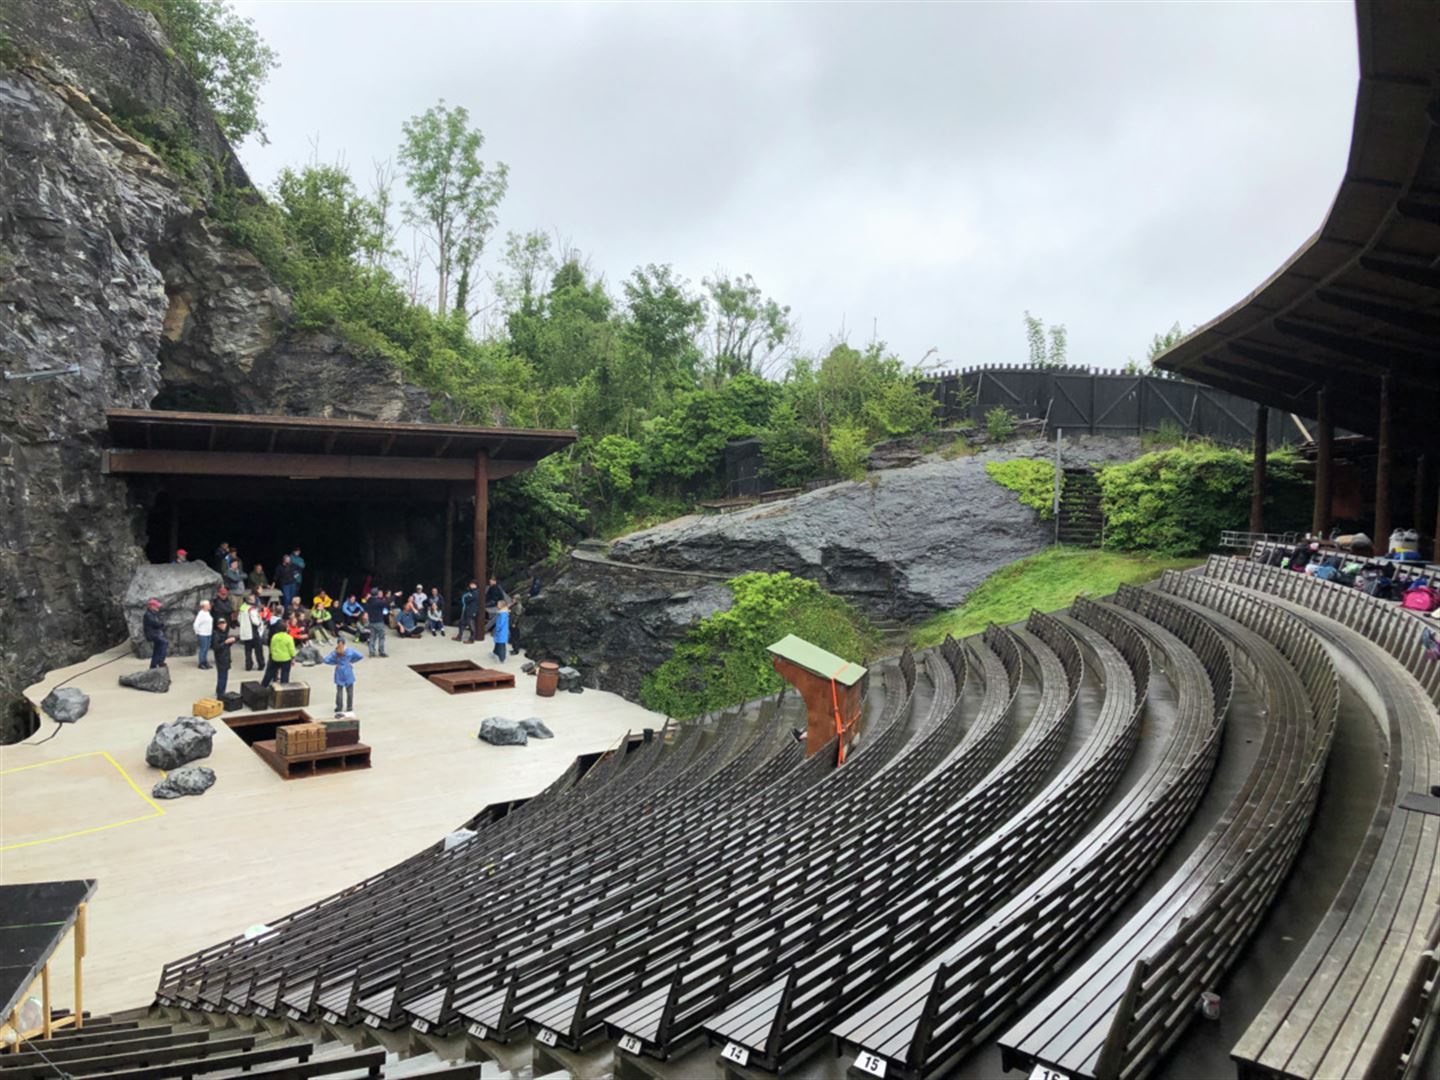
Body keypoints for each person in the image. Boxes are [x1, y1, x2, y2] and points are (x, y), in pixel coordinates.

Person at [324, 637, 364, 718]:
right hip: (348, 670)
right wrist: (351, 661)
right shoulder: (350, 651)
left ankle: (339, 707)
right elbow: (360, 656)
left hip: (339, 671)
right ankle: (349, 707)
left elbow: (326, 660)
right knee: (350, 691)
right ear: (345, 643)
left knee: (339, 690)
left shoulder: (335, 652)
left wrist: (335, 662)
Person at [261, 622, 296, 687]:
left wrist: (271, 654)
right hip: (286, 659)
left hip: (275, 658)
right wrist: (293, 657)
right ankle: (284, 688)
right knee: (285, 674)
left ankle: (263, 685)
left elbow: (271, 646)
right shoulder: (288, 638)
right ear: (286, 629)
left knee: (270, 672)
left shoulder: (274, 637)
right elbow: (291, 649)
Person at [212, 617, 236, 698]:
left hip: (225, 657)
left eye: (224, 623)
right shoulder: (216, 634)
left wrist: (231, 641)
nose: (223, 625)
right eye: (221, 624)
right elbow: (216, 647)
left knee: (223, 676)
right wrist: (226, 642)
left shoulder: (223, 633)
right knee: (222, 677)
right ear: (218, 625)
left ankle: (220, 691)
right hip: (221, 658)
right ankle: (220, 693)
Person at [239, 593, 264, 671]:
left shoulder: (242, 608)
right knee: (258, 650)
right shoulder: (252, 609)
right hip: (253, 631)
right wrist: (260, 623)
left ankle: (248, 665)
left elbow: (239, 619)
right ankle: (261, 665)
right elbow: (255, 621)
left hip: (245, 632)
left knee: (248, 650)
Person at [363, 590, 389, 657]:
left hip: (371, 622)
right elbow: (387, 602)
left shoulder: (368, 602)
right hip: (379, 622)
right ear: (377, 595)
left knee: (372, 637)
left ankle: (371, 652)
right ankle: (381, 652)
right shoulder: (378, 602)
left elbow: (365, 604)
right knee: (381, 637)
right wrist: (395, 595)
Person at [144, 598, 168, 668]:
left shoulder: (155, 613)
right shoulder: (148, 614)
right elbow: (156, 623)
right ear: (152, 606)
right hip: (152, 634)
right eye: (156, 606)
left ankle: (153, 666)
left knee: (157, 649)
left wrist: (161, 623)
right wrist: (161, 623)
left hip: (156, 633)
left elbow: (160, 622)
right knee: (164, 642)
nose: (158, 607)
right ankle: (160, 661)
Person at [193, 600, 213, 670]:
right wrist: (197, 632)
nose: (209, 606)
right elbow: (196, 624)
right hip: (203, 633)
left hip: (208, 633)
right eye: (208, 605)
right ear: (204, 606)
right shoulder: (201, 614)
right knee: (203, 648)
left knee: (207, 648)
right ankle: (201, 663)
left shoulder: (207, 613)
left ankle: (205, 661)